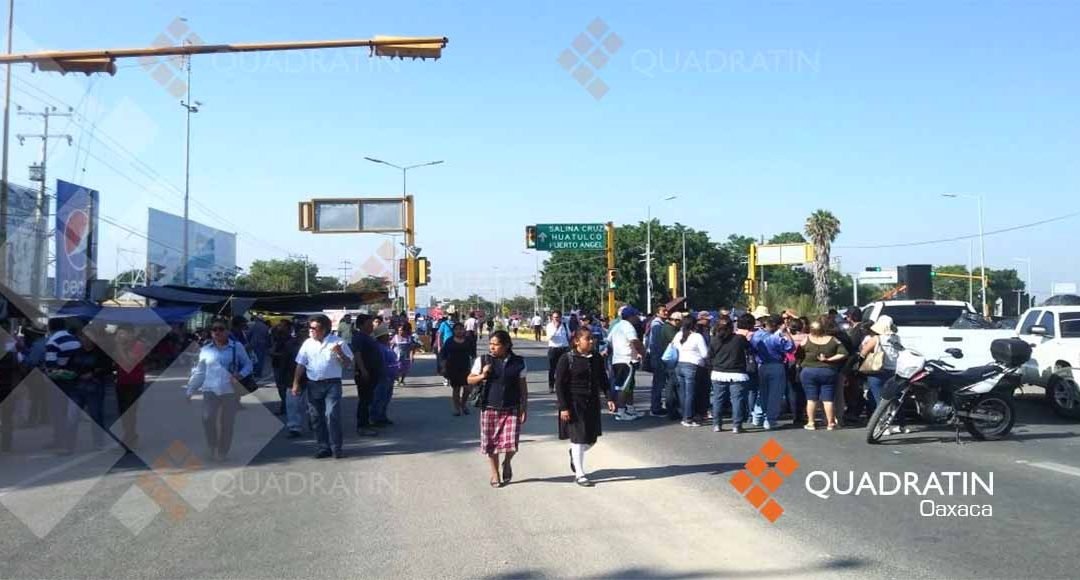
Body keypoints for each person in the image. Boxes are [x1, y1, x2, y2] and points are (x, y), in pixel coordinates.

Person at [186, 318, 253, 462]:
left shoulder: (236, 347)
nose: (217, 332)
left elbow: (248, 365)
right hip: (210, 390)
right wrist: (190, 390)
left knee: (227, 423)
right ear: (211, 332)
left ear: (227, 331)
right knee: (207, 418)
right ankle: (212, 446)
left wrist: (240, 375)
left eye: (221, 329)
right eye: (214, 329)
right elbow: (199, 372)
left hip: (230, 391)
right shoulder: (205, 349)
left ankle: (223, 451)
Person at [556, 328, 616, 487]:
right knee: (578, 438)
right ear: (577, 341)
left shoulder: (596, 358)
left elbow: (603, 379)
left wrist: (609, 397)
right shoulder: (566, 358)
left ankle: (575, 453)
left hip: (592, 403)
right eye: (587, 339)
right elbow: (559, 385)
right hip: (574, 403)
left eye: (592, 339)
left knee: (591, 438)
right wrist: (563, 407)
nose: (591, 341)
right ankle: (580, 474)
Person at [469, 330, 528, 488]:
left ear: (507, 345)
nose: (492, 347)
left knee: (512, 443)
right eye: (491, 344)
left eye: (496, 344)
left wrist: (524, 407)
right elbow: (470, 379)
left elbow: (523, 387)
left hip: (512, 407)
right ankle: (495, 474)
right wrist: (482, 375)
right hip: (489, 406)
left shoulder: (518, 362)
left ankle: (507, 462)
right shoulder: (483, 360)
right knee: (491, 443)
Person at [292, 314, 353, 459]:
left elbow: (348, 364)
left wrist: (340, 354)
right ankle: (323, 447)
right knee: (316, 417)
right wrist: (295, 383)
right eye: (310, 327)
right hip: (313, 384)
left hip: (332, 384)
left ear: (324, 329)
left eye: (314, 327)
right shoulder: (307, 343)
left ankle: (336, 448)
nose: (311, 330)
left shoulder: (338, 342)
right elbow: (300, 364)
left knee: (331, 415)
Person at [800, 317, 849, 431]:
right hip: (828, 371)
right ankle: (831, 423)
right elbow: (843, 353)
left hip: (809, 371)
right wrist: (829, 359)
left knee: (811, 399)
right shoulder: (833, 340)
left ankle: (811, 422)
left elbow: (798, 352)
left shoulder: (806, 339)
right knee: (828, 399)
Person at [749, 314, 795, 430]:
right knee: (775, 394)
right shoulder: (777, 337)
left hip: (761, 365)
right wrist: (786, 333)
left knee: (762, 392)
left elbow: (752, 349)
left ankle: (758, 416)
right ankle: (770, 420)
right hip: (776, 365)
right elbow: (790, 347)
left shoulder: (756, 335)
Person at [708, 316, 753, 433]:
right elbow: (750, 349)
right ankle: (737, 426)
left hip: (718, 372)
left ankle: (717, 425)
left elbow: (710, 356)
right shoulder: (739, 339)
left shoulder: (714, 340)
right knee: (737, 400)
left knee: (718, 399)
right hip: (737, 372)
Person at [859, 315, 904, 413]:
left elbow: (863, 353)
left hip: (877, 371)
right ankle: (900, 423)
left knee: (879, 399)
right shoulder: (896, 338)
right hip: (893, 371)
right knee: (894, 398)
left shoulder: (876, 338)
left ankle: (882, 423)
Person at [608, 307, 647, 421]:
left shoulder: (617, 326)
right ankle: (621, 412)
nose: (637, 318)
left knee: (629, 387)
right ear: (630, 317)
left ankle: (630, 409)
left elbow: (609, 341)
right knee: (623, 387)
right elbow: (634, 341)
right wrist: (643, 353)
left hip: (619, 359)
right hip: (626, 361)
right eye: (636, 316)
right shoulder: (628, 327)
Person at [113, 326, 148, 450]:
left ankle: (130, 438)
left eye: (123, 334)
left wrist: (119, 347)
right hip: (121, 381)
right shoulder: (121, 346)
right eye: (119, 334)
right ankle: (129, 435)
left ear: (131, 334)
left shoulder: (138, 345)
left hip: (135, 382)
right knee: (123, 412)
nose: (120, 337)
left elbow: (129, 362)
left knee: (130, 411)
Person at [671, 317, 709, 427]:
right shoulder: (697, 336)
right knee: (690, 393)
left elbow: (673, 346)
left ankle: (685, 416)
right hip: (693, 365)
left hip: (679, 364)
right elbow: (704, 354)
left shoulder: (678, 335)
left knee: (683, 393)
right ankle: (689, 417)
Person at [350, 314, 381, 437]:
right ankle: (362, 426)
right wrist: (363, 370)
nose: (372, 327)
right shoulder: (359, 337)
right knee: (364, 400)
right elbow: (357, 354)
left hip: (372, 372)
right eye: (369, 324)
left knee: (368, 399)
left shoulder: (368, 337)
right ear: (362, 325)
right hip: (364, 373)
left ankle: (366, 422)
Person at [441, 322, 474, 416]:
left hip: (466, 367)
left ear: (464, 330)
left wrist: (475, 367)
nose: (459, 331)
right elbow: (443, 355)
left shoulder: (468, 340)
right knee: (456, 389)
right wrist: (443, 367)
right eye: (457, 329)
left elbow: (473, 354)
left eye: (461, 329)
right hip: (452, 367)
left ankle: (463, 404)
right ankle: (456, 408)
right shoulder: (449, 341)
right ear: (453, 331)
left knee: (468, 388)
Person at [282, 323, 309, 438]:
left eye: (305, 331)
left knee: (312, 405)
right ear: (297, 333)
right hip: (292, 379)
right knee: (293, 405)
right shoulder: (289, 345)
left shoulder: (313, 344)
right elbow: (284, 363)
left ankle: (314, 422)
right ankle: (294, 427)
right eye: (301, 331)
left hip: (310, 379)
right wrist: (284, 379)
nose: (304, 333)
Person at [371, 325, 399, 427]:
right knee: (379, 398)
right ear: (381, 336)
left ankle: (382, 416)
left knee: (386, 398)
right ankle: (375, 419)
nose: (389, 336)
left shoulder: (387, 346)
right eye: (386, 335)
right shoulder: (379, 348)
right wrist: (385, 374)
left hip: (390, 377)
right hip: (384, 376)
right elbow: (381, 363)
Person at [646, 306, 671, 417]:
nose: (666, 312)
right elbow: (656, 344)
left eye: (666, 311)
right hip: (659, 358)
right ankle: (655, 407)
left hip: (659, 357)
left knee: (659, 383)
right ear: (657, 313)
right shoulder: (656, 325)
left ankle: (657, 405)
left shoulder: (661, 324)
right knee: (658, 383)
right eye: (663, 311)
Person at [269, 319, 294, 415]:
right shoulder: (277, 337)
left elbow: (288, 354)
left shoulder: (289, 340)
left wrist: (274, 354)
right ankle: (285, 406)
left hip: (285, 367)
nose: (279, 327)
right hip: (277, 365)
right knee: (280, 387)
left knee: (284, 387)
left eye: (282, 325)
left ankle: (285, 407)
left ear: (288, 328)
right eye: (279, 325)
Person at [545, 310, 571, 395]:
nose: (556, 319)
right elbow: (549, 337)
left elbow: (569, 335)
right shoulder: (549, 326)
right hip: (554, 349)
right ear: (552, 318)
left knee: (565, 368)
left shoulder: (564, 325)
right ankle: (551, 386)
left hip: (564, 348)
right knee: (552, 368)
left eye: (558, 317)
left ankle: (564, 385)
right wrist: (556, 328)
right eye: (555, 317)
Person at [248, 316, 271, 382]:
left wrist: (249, 341)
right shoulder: (265, 327)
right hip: (262, 345)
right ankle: (258, 373)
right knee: (261, 359)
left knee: (253, 358)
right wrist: (268, 346)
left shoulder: (254, 326)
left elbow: (249, 334)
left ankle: (254, 372)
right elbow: (268, 337)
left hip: (254, 344)